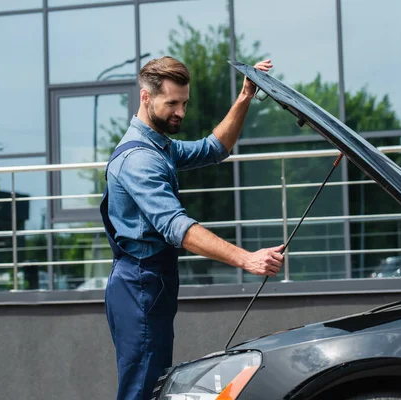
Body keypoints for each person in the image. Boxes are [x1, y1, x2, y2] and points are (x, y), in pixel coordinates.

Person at [100, 56, 284, 400]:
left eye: (184, 103)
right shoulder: (139, 160)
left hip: (150, 284)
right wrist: (246, 259)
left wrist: (245, 97)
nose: (180, 113)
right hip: (139, 286)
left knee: (150, 385)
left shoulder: (159, 146)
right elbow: (177, 227)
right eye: (172, 103)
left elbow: (215, 148)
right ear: (145, 98)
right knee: (141, 390)